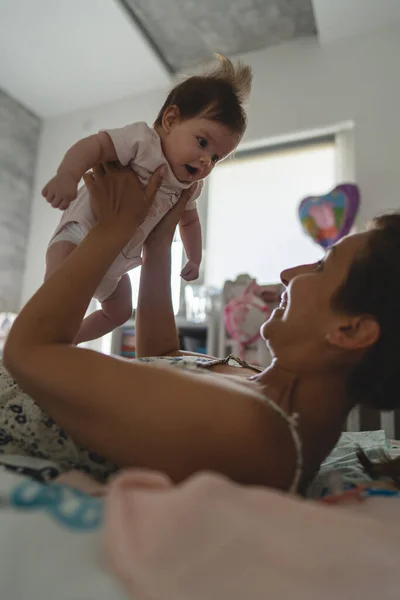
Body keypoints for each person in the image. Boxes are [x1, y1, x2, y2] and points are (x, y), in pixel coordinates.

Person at [3, 164, 400, 494]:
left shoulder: (258, 434)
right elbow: (162, 353)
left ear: (350, 331)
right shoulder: (257, 385)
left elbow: (27, 352)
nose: (287, 274)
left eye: (320, 267)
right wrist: (158, 243)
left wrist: (114, 229)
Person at [42, 56, 252, 344]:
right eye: (202, 142)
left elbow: (189, 221)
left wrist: (195, 256)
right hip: (81, 234)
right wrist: (68, 175)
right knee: (56, 295)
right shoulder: (142, 142)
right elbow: (96, 145)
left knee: (119, 312)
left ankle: (70, 341)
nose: (206, 161)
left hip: (116, 265)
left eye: (216, 157)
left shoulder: (188, 187)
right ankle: (42, 340)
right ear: (170, 119)